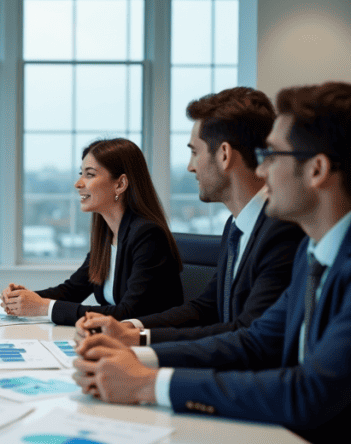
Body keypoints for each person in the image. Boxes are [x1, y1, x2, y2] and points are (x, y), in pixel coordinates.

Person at [75, 82, 351, 444]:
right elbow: (257, 340)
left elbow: (311, 390)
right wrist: (137, 354)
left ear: (317, 170)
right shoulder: (317, 246)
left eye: (272, 155)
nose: (260, 169)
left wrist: (148, 382)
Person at [78, 88, 303, 344]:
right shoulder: (237, 226)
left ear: (224, 155)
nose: (190, 166)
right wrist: (129, 329)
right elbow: (205, 308)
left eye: (195, 152)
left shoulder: (281, 231)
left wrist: (141, 341)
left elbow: (247, 336)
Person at [0, 138, 184, 326]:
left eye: (90, 174)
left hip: (152, 345)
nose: (78, 184)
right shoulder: (108, 235)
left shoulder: (148, 236)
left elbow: (129, 312)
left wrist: (43, 307)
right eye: (82, 174)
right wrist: (24, 298)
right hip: (117, 341)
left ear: (120, 184)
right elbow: (72, 290)